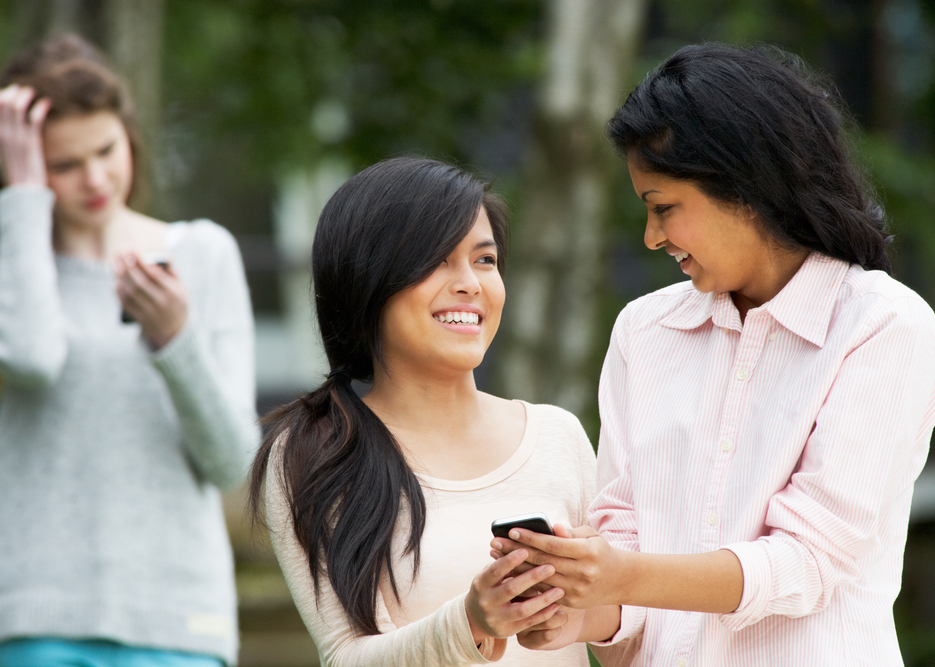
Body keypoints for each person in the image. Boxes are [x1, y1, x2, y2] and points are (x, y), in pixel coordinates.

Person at [492, 44, 935, 665]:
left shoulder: (884, 325)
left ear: (747, 184)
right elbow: (624, 541)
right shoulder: (644, 331)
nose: (651, 238)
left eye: (663, 207)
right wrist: (569, 609)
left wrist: (618, 574)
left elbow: (809, 562)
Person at [0, 34, 260, 666]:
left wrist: (176, 339)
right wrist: (25, 202)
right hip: (36, 618)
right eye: (63, 165)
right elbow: (34, 358)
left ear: (130, 137)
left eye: (106, 150)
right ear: (20, 167)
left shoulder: (203, 253)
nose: (95, 179)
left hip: (178, 620)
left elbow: (233, 463)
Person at [248, 156, 599, 666]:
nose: (470, 284)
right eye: (437, 260)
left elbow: (623, 639)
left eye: (484, 260)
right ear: (368, 281)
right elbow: (345, 657)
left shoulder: (558, 436)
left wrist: (595, 588)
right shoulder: (316, 450)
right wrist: (472, 623)